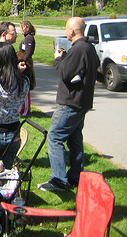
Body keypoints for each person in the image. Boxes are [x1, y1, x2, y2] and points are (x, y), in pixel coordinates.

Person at [38, 17, 99, 192]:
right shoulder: (89, 48)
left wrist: (59, 58)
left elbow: (64, 72)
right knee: (74, 139)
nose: (66, 32)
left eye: (66, 29)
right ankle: (76, 176)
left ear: (72, 31)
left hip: (71, 103)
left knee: (55, 137)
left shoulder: (78, 49)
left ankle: (59, 180)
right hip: (83, 102)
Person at [17, 20, 36, 116]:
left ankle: (26, 110)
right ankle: (22, 109)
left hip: (26, 65)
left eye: (22, 28)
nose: (20, 30)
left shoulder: (29, 38)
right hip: (24, 63)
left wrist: (22, 61)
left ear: (26, 28)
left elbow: (28, 52)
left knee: (26, 87)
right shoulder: (26, 38)